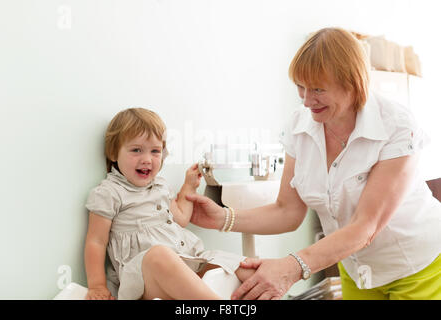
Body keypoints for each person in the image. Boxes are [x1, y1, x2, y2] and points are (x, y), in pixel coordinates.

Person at [186, 27, 441, 300]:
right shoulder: (300, 127)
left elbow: (365, 226)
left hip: (418, 266)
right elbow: (287, 210)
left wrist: (292, 267)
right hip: (358, 270)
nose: (307, 100)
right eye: (300, 86)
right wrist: (223, 219)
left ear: (353, 83)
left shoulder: (396, 126)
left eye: (318, 89)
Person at [84, 107, 253, 300]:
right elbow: (96, 241)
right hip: (145, 281)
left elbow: (180, 218)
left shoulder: (160, 186)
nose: (147, 159)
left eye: (155, 151)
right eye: (136, 150)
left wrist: (188, 187)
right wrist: (97, 285)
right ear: (114, 153)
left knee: (245, 266)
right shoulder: (110, 192)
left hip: (185, 260)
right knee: (158, 255)